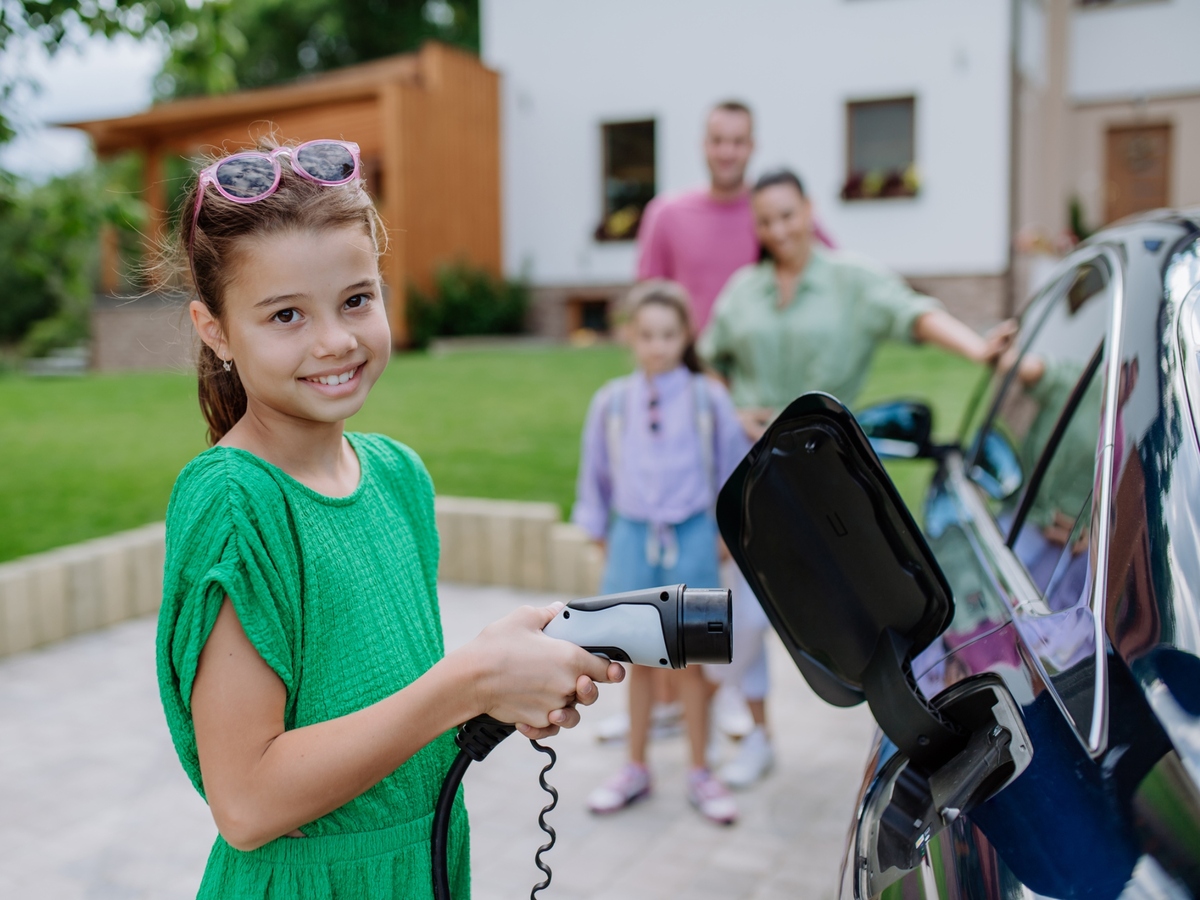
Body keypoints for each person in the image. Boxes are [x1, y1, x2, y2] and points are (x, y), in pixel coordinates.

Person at [156, 137, 624, 899]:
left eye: (356, 299)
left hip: (422, 868)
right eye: (285, 315)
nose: (334, 340)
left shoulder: (399, 476)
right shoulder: (237, 502)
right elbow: (246, 804)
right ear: (215, 330)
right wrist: (468, 681)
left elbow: (391, 724)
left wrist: (503, 691)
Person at [698, 168, 1015, 786]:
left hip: (826, 481)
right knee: (747, 613)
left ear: (810, 211)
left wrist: (978, 350)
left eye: (788, 215)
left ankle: (904, 729)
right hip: (754, 480)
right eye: (765, 220)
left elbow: (915, 315)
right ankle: (756, 730)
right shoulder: (745, 290)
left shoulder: (851, 280)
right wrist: (731, 409)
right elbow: (707, 361)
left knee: (859, 612)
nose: (778, 229)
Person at [572, 280, 750, 825]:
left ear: (685, 336)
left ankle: (701, 768)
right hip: (631, 539)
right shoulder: (611, 402)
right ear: (631, 336)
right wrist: (601, 530)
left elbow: (731, 469)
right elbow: (595, 474)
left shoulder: (707, 398)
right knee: (636, 661)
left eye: (668, 335)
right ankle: (636, 766)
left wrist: (725, 533)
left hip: (693, 535)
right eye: (646, 335)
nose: (657, 345)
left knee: (693, 660)